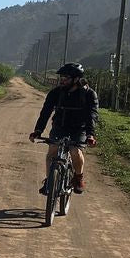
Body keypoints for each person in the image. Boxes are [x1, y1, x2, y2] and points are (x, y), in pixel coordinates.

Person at [28, 62, 99, 193]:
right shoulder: (56, 93)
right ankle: (50, 181)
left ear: (76, 79)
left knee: (75, 151)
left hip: (79, 128)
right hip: (60, 126)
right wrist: (38, 130)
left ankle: (78, 178)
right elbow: (45, 112)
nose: (62, 80)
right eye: (61, 77)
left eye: (66, 78)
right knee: (53, 150)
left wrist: (90, 134)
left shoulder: (89, 94)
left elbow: (92, 116)